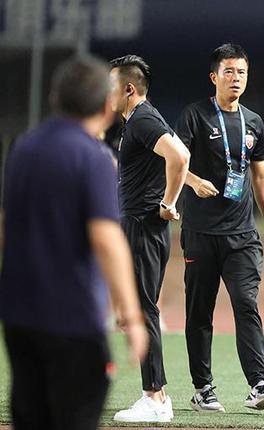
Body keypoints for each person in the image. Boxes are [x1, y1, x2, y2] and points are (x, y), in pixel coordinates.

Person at [0, 56, 148, 430]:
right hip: (72, 318)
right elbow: (107, 239)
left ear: (55, 98)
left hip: (19, 317)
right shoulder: (94, 157)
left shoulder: (22, 149)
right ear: (106, 105)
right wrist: (132, 317)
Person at [175, 43, 264, 412]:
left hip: (242, 236)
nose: (236, 78)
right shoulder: (194, 116)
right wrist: (193, 182)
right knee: (199, 311)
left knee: (246, 303)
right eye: (229, 72)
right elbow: (173, 162)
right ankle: (203, 388)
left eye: (241, 72)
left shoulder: (254, 122)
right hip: (201, 233)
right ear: (214, 77)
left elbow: (260, 175)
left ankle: (259, 385)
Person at [109, 54, 190, 422]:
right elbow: (171, 160)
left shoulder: (142, 119)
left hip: (143, 226)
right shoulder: (138, 121)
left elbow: (180, 156)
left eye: (111, 86)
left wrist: (168, 202)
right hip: (137, 225)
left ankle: (155, 398)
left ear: (129, 88)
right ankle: (156, 395)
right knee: (137, 310)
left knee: (144, 311)